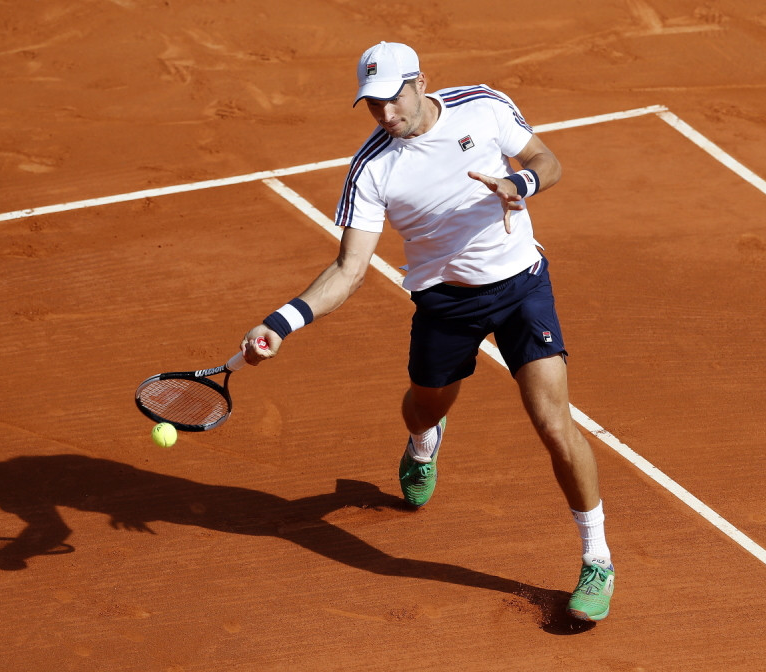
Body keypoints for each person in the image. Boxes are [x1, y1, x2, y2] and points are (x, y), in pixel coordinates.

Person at [241, 41, 614, 621]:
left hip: (522, 287)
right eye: (373, 104)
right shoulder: (372, 168)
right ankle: (424, 442)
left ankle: (597, 559)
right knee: (424, 406)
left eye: (393, 99)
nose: (385, 113)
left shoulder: (483, 106)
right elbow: (349, 268)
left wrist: (520, 185)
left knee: (552, 422)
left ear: (420, 82)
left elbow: (547, 161)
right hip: (445, 303)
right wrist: (282, 323)